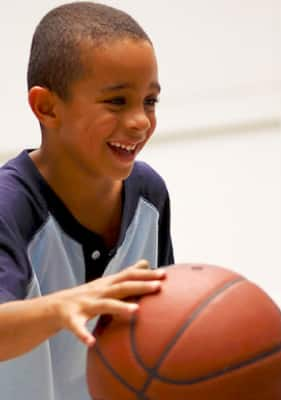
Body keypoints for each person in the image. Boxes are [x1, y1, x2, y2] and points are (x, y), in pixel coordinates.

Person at [0, 2, 173, 399]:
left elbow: (163, 326)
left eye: (150, 101)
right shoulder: (10, 205)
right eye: (117, 101)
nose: (140, 121)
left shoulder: (149, 195)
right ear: (47, 107)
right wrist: (65, 305)